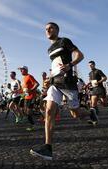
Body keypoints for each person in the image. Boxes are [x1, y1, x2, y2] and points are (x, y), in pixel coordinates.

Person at [30, 22, 98, 160]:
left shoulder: (64, 41)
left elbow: (80, 55)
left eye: (51, 28)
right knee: (49, 111)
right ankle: (48, 148)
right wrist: (50, 77)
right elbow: (55, 65)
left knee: (76, 113)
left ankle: (90, 112)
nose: (48, 30)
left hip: (68, 82)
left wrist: (70, 65)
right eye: (46, 29)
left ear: (57, 30)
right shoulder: (49, 49)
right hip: (55, 83)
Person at [19, 66, 39, 131]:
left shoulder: (29, 76)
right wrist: (21, 93)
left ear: (25, 70)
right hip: (26, 97)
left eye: (22, 70)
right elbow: (23, 89)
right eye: (20, 70)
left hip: (31, 97)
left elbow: (37, 84)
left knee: (28, 112)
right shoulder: (23, 78)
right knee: (25, 111)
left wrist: (31, 90)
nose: (20, 71)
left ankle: (33, 125)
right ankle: (32, 123)